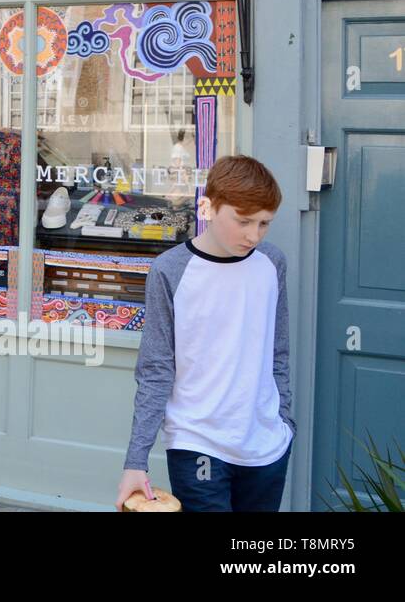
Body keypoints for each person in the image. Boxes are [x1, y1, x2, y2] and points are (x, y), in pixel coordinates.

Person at [116, 155, 293, 512]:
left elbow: (279, 351)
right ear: (208, 207)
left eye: (264, 224)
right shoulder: (170, 270)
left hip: (266, 445)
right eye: (243, 221)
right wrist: (136, 460)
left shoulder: (271, 263)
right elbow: (155, 370)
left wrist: (284, 421)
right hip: (197, 442)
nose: (253, 235)